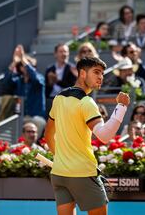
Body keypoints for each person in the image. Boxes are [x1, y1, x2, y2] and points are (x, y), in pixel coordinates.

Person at [44, 56, 130, 215]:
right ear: (82, 73)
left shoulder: (59, 98)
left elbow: (48, 135)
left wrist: (62, 157)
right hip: (83, 174)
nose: (100, 77)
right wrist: (122, 106)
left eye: (102, 74)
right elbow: (104, 136)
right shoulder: (87, 102)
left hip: (59, 174)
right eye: (96, 72)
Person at [2, 44, 46, 118]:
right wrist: (14, 62)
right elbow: (6, 82)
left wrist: (23, 59)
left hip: (36, 117)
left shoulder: (40, 77)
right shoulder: (18, 80)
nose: (26, 67)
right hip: (21, 117)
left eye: (29, 65)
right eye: (23, 65)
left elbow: (36, 80)